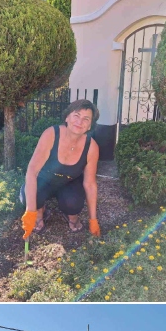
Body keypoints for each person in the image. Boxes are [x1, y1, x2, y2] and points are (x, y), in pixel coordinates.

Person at [20, 100, 101, 239]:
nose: (79, 121)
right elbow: (32, 171)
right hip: (44, 179)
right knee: (28, 198)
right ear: (67, 117)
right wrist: (31, 211)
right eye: (76, 115)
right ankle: (40, 212)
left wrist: (93, 220)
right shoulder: (51, 134)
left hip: (69, 182)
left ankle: (72, 216)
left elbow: (90, 184)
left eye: (86, 119)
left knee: (73, 204)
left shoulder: (92, 147)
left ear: (89, 126)